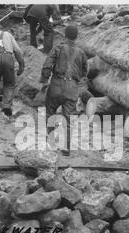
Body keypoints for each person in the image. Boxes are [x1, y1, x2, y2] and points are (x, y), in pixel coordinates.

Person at [40, 25, 88, 156]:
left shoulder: (58, 48)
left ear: (65, 35)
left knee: (50, 113)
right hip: (72, 87)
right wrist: (76, 83)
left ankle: (50, 144)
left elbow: (47, 65)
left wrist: (44, 81)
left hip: (56, 84)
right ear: (76, 36)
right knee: (68, 119)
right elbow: (85, 72)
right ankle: (66, 148)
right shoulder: (81, 53)